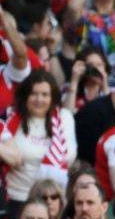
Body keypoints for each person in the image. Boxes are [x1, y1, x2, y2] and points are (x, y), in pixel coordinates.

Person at [1, 70, 77, 208]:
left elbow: (70, 157)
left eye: (45, 94)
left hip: (54, 202)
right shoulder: (10, 118)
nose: (39, 99)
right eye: (34, 94)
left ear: (52, 97)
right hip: (18, 199)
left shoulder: (65, 117)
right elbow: (12, 158)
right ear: (25, 96)